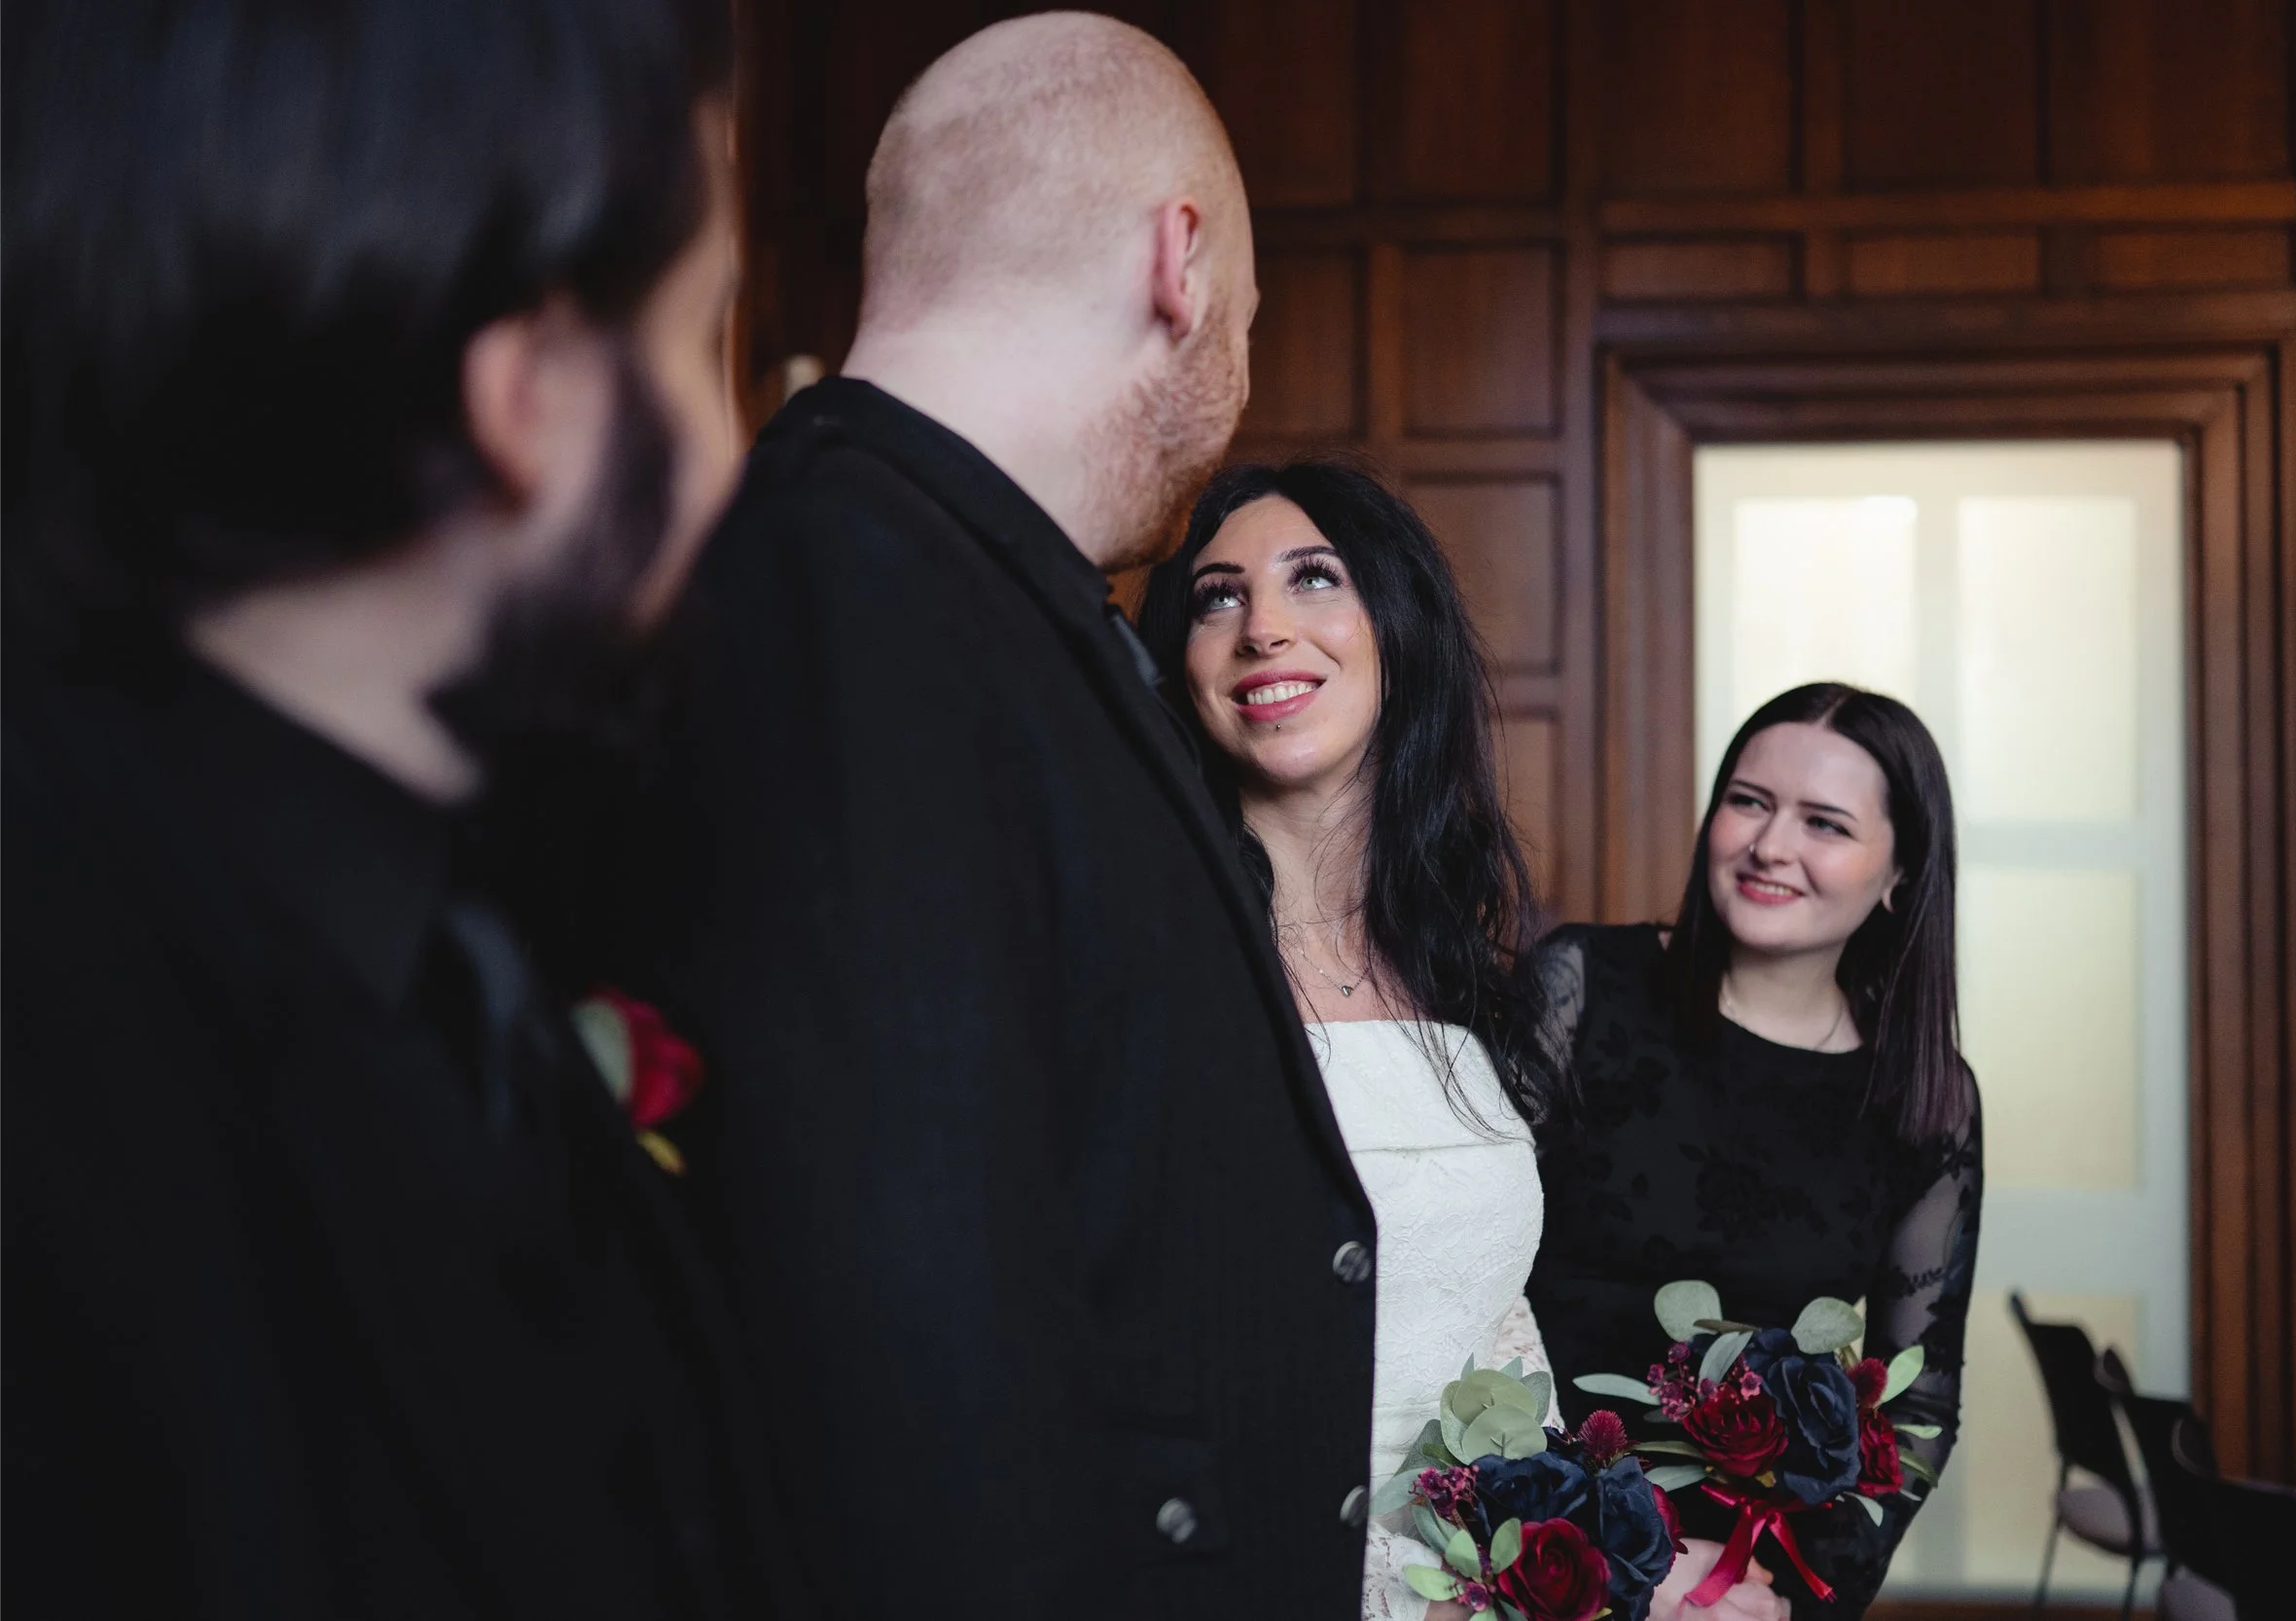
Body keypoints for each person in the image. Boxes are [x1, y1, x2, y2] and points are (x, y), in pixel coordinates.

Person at [1, 3, 796, 1617]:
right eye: (699, 339)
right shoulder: (71, 1059)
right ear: (534, 399)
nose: (733, 466)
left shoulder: (438, 923)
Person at [609, 16, 1376, 1617]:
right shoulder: (857, 597)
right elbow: (899, 1335)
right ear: (1183, 259)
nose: (1238, 347)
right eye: (1247, 301)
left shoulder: (978, 591)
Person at [1137, 461, 1789, 1621]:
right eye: (1217, 596)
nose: (1263, 627)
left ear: (1398, 629)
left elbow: (1494, 1333)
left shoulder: (1460, 970)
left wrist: (1621, 1556)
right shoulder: (1147, 963)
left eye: (1313, 578)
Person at [1528, 683, 1984, 1619]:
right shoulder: (1581, 990)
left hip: (1741, 1584)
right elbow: (1448, 1282)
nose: (1771, 846)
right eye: (1749, 801)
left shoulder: (1924, 1095)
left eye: (1825, 823)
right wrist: (1613, 1563)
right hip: (1531, 1534)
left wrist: (1793, 1597)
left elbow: (1921, 1401)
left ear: (1901, 873)